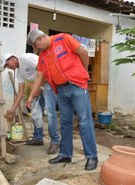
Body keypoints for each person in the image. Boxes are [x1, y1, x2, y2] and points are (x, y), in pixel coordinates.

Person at [26, 30, 98, 171]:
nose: (38, 48)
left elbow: (83, 53)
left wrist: (83, 74)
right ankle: (65, 154)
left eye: (36, 45)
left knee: (84, 121)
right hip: (61, 90)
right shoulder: (42, 56)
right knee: (65, 123)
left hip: (77, 86)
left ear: (40, 38)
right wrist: (30, 97)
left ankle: (91, 156)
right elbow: (39, 78)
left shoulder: (64, 38)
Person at [2, 53, 60, 154]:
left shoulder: (25, 58)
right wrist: (12, 109)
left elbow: (44, 69)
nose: (8, 68)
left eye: (7, 65)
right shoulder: (19, 72)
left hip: (49, 82)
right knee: (35, 112)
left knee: (50, 112)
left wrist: (36, 90)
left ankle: (55, 141)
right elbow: (20, 92)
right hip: (39, 86)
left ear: (12, 58)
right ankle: (38, 138)